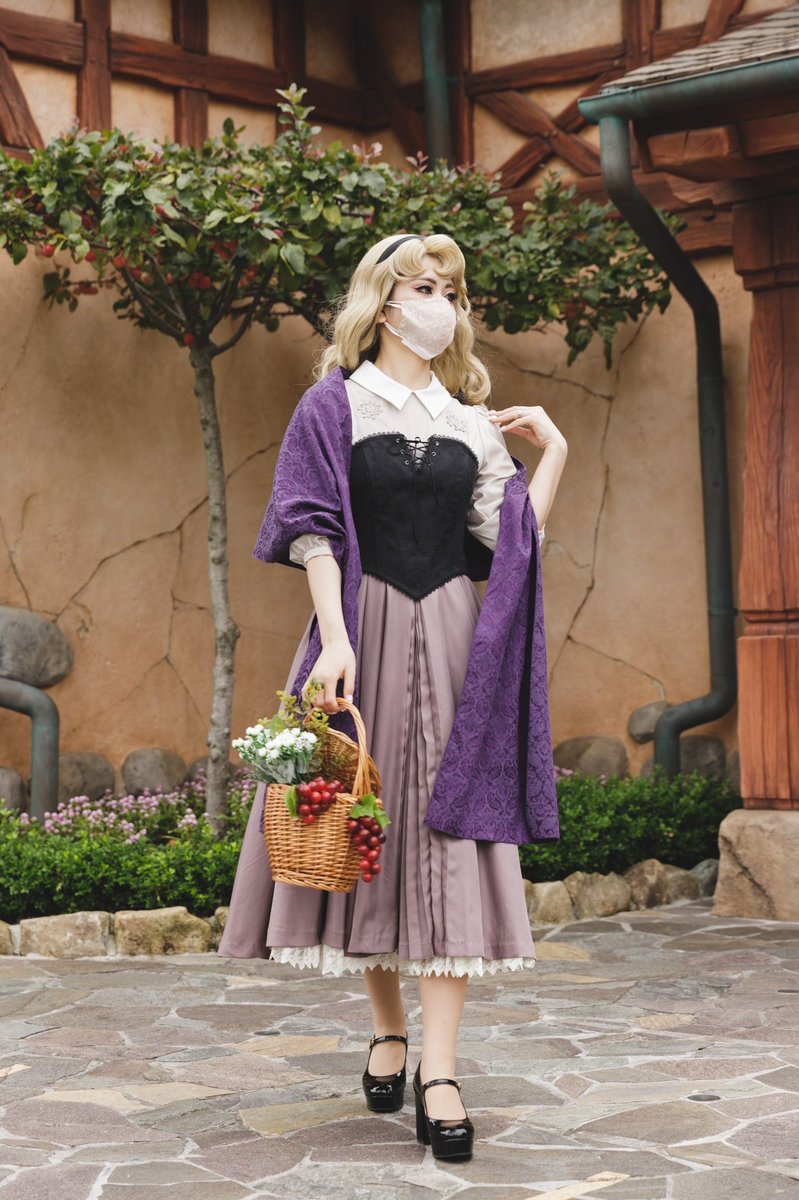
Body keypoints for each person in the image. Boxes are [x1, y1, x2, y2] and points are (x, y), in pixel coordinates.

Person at [217, 232, 567, 1160]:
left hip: (453, 635)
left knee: (452, 832)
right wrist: (334, 639)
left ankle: (439, 1073)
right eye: (423, 286)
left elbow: (509, 548)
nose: (440, 302)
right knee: (361, 819)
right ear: (382, 303)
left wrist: (553, 455)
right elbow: (313, 529)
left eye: (450, 289)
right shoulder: (332, 405)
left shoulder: (468, 419)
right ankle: (387, 1026)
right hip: (360, 627)